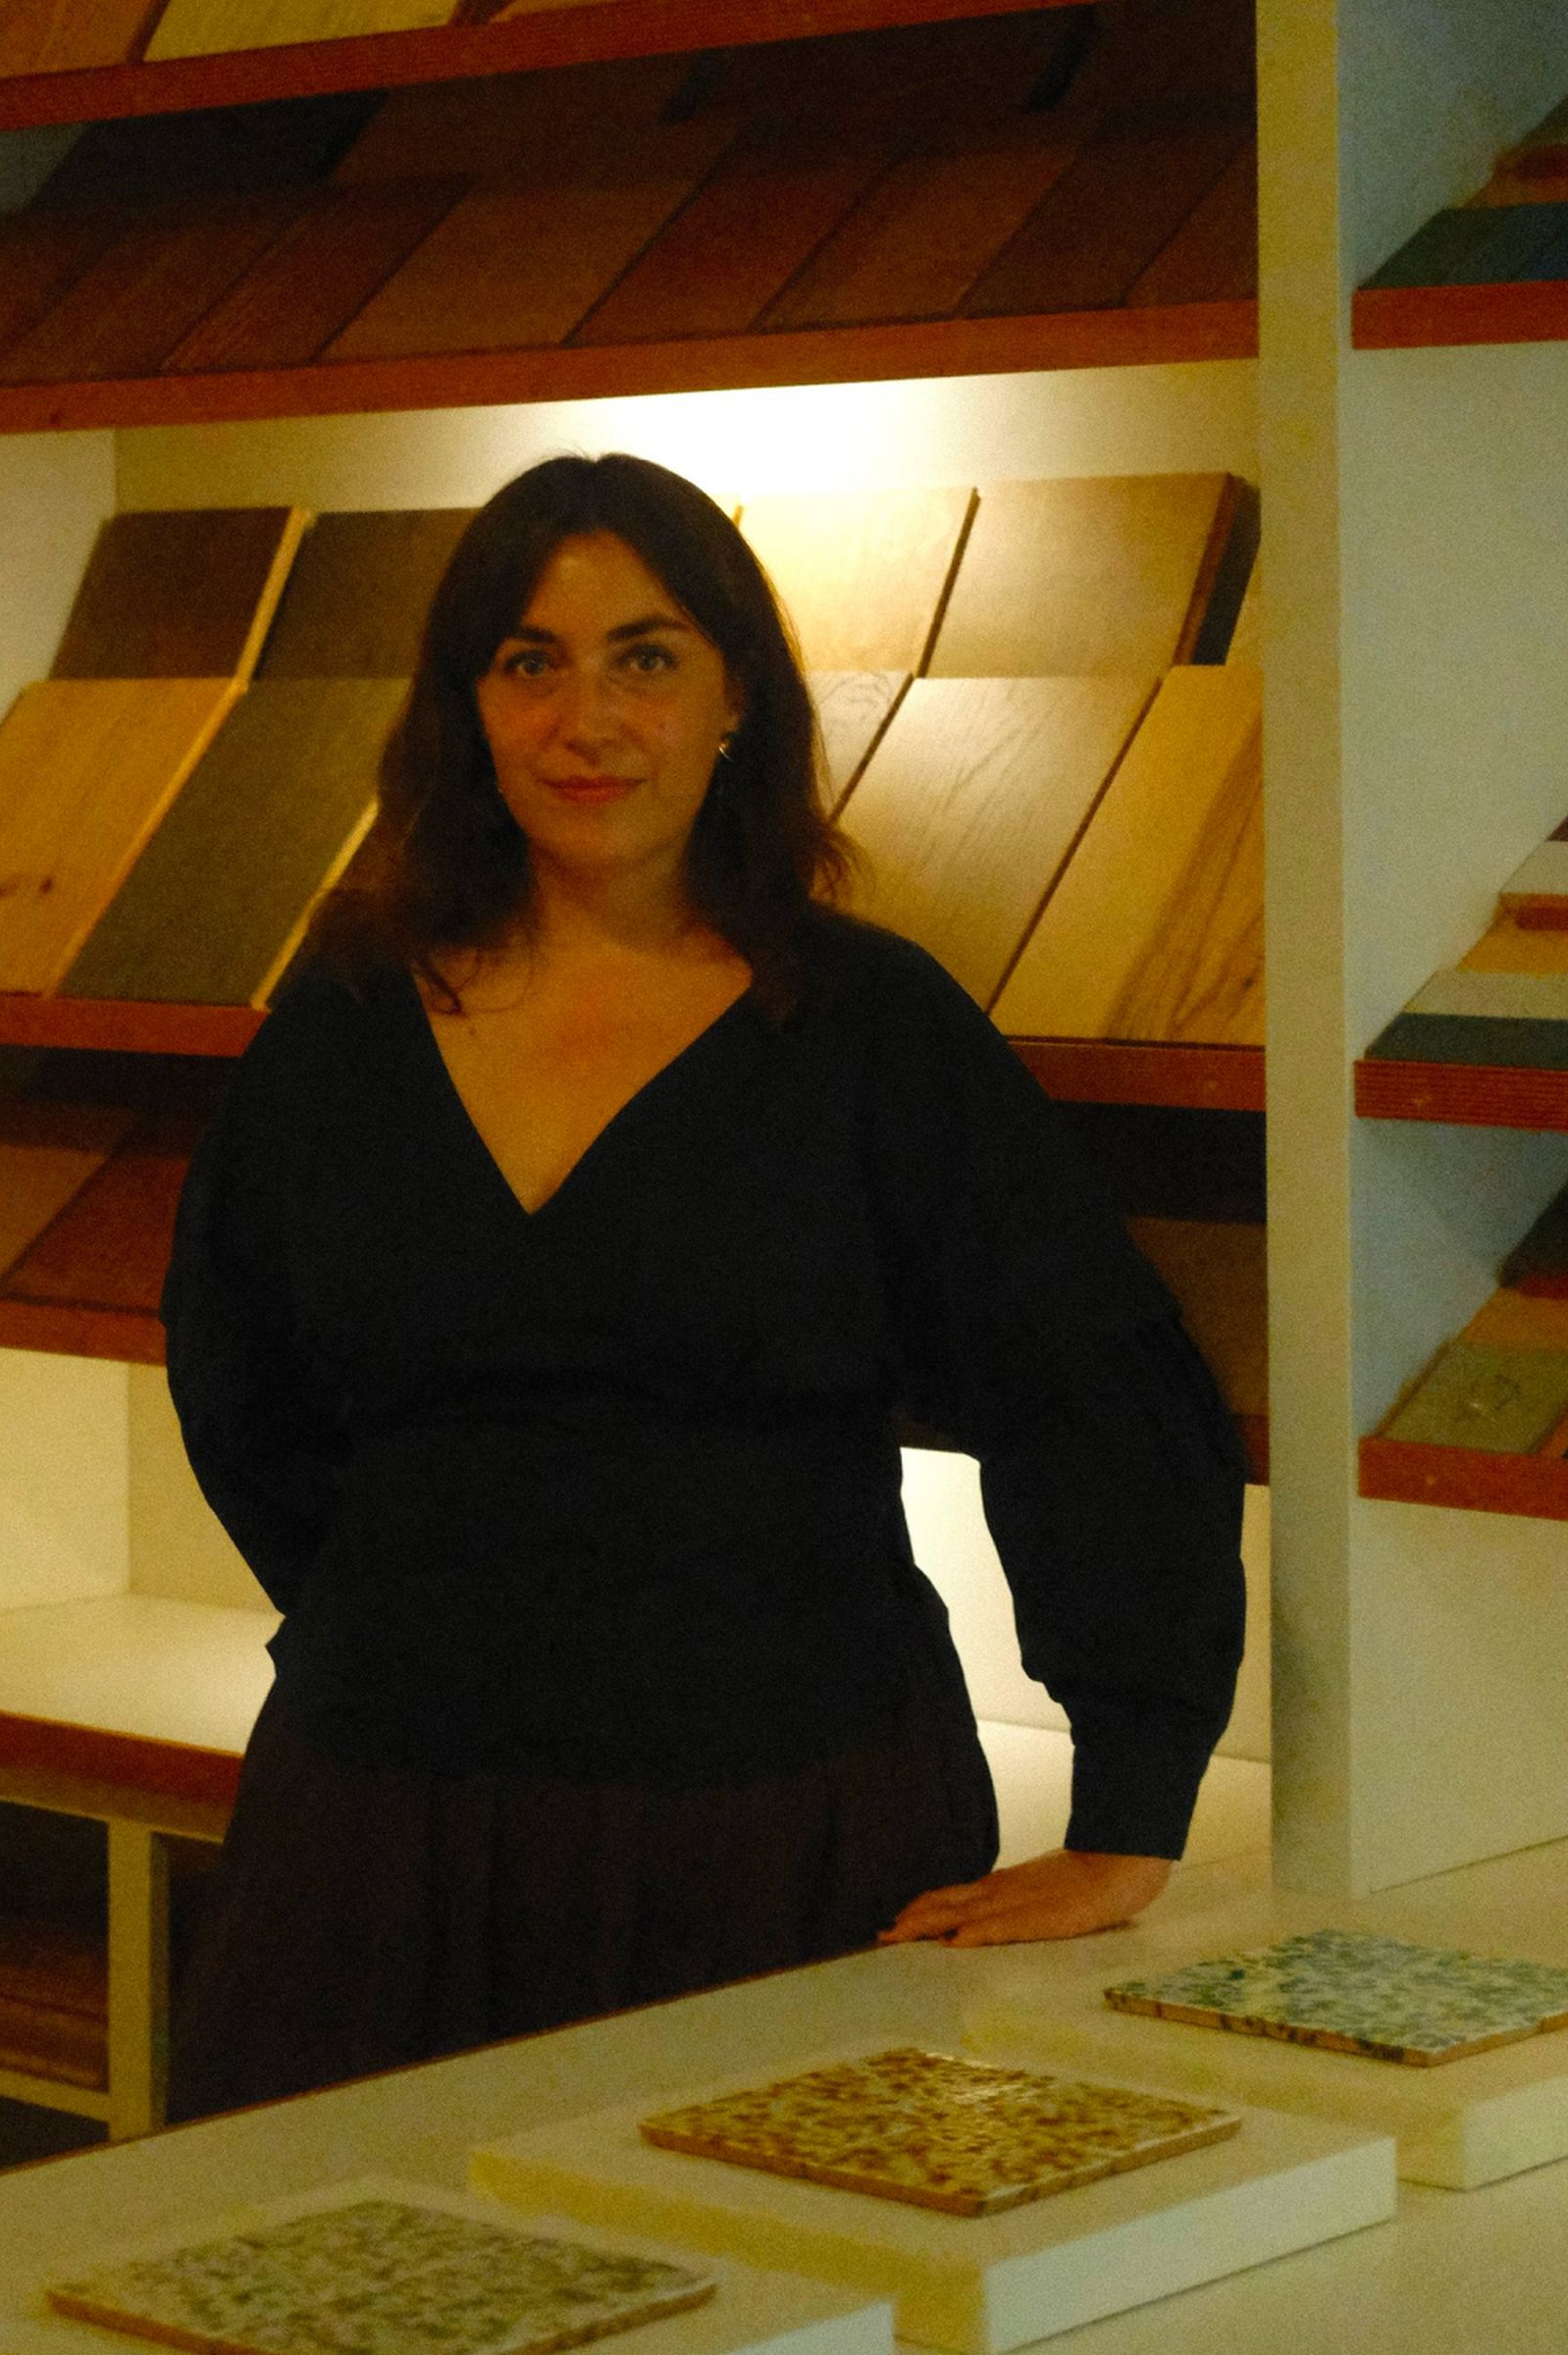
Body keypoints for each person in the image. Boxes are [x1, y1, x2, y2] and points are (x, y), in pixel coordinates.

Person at [159, 452, 1247, 2118]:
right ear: (469, 709)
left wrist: (1130, 1806)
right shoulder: (345, 1021)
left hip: (786, 1834)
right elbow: (239, 1382)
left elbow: (1087, 1387)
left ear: (738, 696)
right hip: (378, 1839)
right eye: (531, 662)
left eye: (644, 658)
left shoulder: (872, 1030)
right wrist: (436, 1619)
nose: (586, 719)